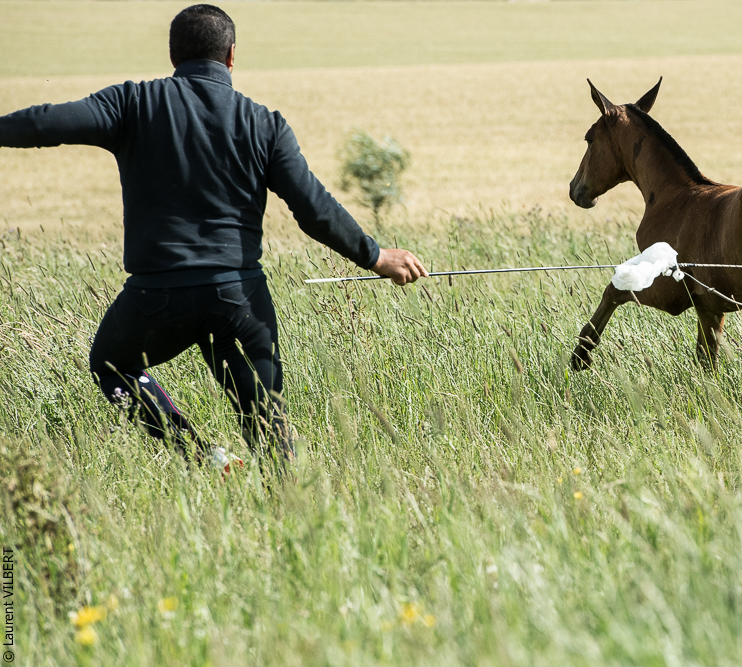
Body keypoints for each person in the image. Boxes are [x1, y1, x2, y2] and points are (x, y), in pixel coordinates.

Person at [0, 4, 427, 472]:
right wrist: (376, 256)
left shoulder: (132, 104)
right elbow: (314, 209)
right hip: (237, 299)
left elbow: (44, 122)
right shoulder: (265, 123)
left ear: (172, 54)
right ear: (231, 56)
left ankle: (204, 457)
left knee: (111, 363)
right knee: (270, 430)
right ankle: (288, 514)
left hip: (155, 296)